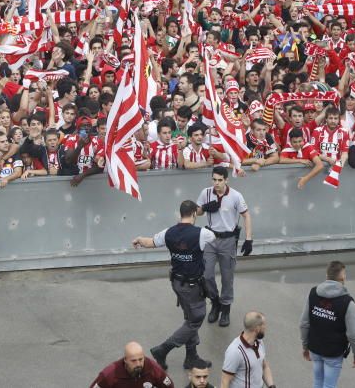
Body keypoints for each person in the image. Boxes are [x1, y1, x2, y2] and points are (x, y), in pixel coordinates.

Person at [132, 200, 214, 371]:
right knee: (195, 320)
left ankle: (191, 357)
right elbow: (215, 236)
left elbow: (150, 242)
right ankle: (163, 350)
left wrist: (139, 239)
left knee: (189, 318)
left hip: (177, 283)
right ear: (193, 214)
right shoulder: (202, 233)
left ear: (180, 214)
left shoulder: (168, 232)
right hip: (191, 286)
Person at [196, 166, 252, 328]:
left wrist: (249, 239)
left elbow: (246, 215)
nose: (217, 183)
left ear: (226, 180)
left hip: (228, 240)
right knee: (206, 275)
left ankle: (225, 308)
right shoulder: (206, 193)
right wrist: (205, 208)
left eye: (220, 180)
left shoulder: (235, 196)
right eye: (214, 180)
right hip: (210, 238)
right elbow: (197, 212)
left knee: (227, 278)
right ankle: (215, 302)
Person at [299, 260, 355, 388]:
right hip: (334, 352)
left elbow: (304, 323)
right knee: (329, 385)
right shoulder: (347, 302)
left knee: (317, 382)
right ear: (343, 276)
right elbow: (353, 334)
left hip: (315, 348)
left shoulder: (313, 293)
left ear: (327, 275)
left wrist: (305, 346)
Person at [220, 312, 276, 388]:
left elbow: (264, 366)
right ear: (257, 328)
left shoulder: (259, 342)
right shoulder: (235, 351)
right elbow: (225, 381)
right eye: (264, 325)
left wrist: (271, 386)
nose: (265, 327)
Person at [90, 340, 174, 388]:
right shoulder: (110, 374)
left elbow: (169, 386)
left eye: (141, 359)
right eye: (133, 361)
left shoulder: (153, 368)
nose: (138, 364)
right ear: (125, 360)